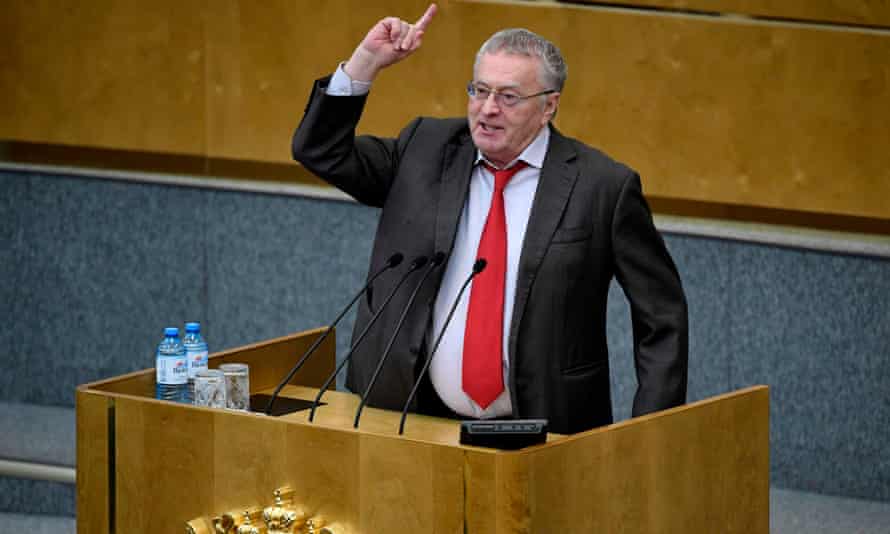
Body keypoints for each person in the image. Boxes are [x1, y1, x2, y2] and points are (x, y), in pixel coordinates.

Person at [292, 3, 688, 434]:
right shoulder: (424, 148)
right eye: (479, 91)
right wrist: (365, 63)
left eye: (508, 96)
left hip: (547, 427)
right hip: (411, 416)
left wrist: (649, 435)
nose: (487, 109)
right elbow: (321, 151)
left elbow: (661, 314)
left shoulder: (603, 187)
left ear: (549, 106)